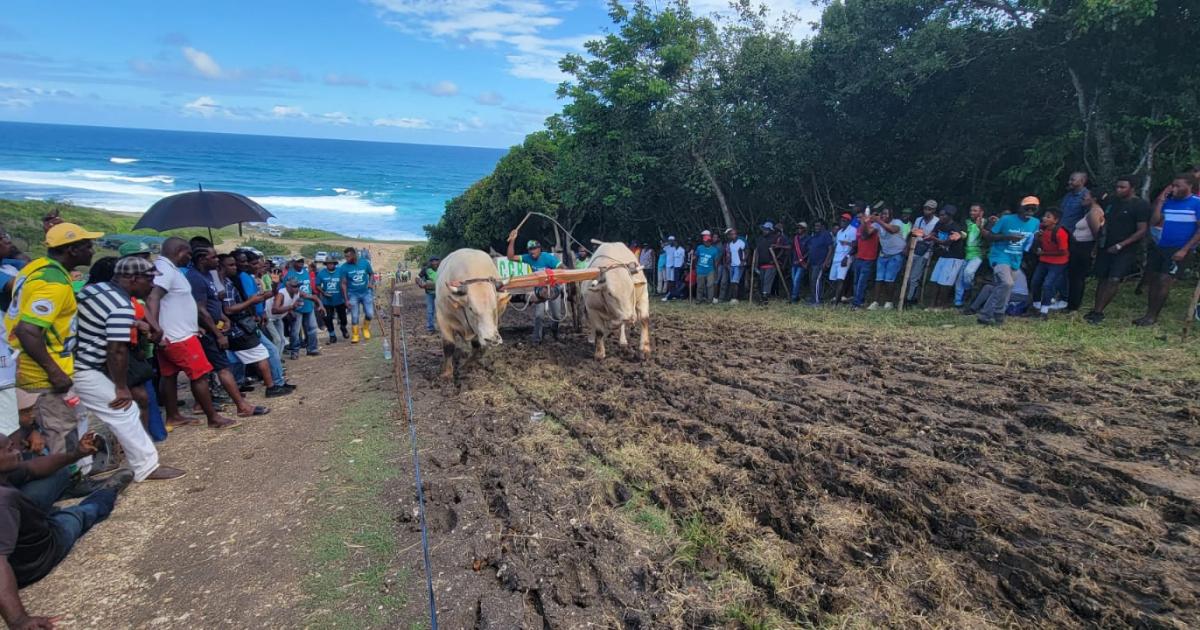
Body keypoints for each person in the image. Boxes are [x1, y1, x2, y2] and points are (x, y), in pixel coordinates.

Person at [0, 431, 133, 629]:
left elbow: (31, 468)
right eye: (10, 449)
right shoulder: (3, 501)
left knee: (57, 470)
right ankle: (108, 491)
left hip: (24, 527)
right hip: (38, 554)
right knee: (79, 515)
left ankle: (59, 497)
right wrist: (18, 619)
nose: (17, 450)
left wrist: (76, 454)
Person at [73, 256, 186, 481]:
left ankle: (80, 470)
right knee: (124, 410)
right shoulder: (121, 306)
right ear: (133, 279)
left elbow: (98, 319)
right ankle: (146, 467)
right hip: (85, 367)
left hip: (70, 363)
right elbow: (117, 350)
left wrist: (137, 323)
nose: (153, 285)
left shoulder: (97, 291)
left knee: (76, 420)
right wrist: (121, 387)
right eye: (149, 279)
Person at [5, 223, 102, 455]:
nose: (93, 250)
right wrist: (54, 371)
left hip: (27, 367)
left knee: (51, 427)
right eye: (88, 246)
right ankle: (71, 479)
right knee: (59, 427)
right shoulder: (53, 283)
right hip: (42, 373)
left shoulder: (36, 268)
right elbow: (28, 330)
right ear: (71, 250)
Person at [145, 237, 239, 430]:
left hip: (176, 332)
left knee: (169, 375)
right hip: (178, 336)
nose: (190, 257)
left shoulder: (169, 269)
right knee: (200, 375)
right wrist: (155, 328)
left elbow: (174, 303)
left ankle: (173, 416)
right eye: (188, 253)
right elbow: (153, 298)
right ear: (180, 251)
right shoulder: (165, 270)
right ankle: (213, 417)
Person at [218, 254, 291, 398]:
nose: (248, 265)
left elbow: (260, 297)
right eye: (239, 262)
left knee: (234, 358)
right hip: (242, 325)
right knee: (267, 351)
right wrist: (252, 306)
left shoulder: (238, 280)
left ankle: (238, 384)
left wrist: (275, 286)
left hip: (246, 323)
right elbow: (230, 308)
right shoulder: (232, 282)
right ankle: (274, 385)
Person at [1133, 174, 1200, 326]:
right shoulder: (1169, 202)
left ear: (1189, 186)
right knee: (1155, 279)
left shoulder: (1196, 203)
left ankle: (1153, 316)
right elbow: (1154, 221)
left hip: (1180, 248)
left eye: (1178, 186)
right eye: (1173, 185)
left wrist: (1185, 249)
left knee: (1165, 280)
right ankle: (1149, 313)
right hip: (1161, 245)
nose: (1174, 189)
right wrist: (1160, 201)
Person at [1085, 176, 1150, 324]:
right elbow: (1104, 223)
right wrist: (1097, 245)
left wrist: (1121, 245)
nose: (1118, 190)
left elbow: (1142, 230)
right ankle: (1096, 310)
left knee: (1114, 279)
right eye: (1117, 187)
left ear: (1132, 188)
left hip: (1125, 248)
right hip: (1106, 245)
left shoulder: (1140, 205)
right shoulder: (1113, 202)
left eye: (1123, 187)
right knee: (1102, 277)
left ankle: (1100, 311)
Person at [976, 198, 1040, 325]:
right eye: (1027, 208)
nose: (1030, 211)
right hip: (999, 255)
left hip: (1016, 258)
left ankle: (984, 316)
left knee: (1003, 288)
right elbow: (990, 236)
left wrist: (1038, 246)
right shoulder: (1006, 219)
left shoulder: (1035, 223)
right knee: (1007, 283)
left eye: (1033, 209)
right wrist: (1008, 237)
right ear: (1020, 208)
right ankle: (999, 314)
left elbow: (1030, 242)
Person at [505, 233, 563, 342]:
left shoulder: (548, 257)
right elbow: (510, 257)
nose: (532, 252)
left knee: (557, 315)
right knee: (538, 315)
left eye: (534, 249)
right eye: (530, 250)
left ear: (539, 249)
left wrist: (553, 275)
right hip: (539, 290)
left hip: (553, 288)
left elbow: (562, 267)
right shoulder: (528, 258)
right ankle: (537, 339)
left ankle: (555, 331)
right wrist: (512, 240)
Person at [1064, 187, 1104, 312]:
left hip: (1084, 248)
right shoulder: (1090, 211)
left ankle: (1073, 305)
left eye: (1086, 196)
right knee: (1074, 277)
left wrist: (1094, 250)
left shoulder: (1094, 213)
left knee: (1077, 277)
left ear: (1094, 199)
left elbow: (1097, 233)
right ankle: (1071, 303)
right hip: (1079, 247)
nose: (1083, 198)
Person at [1028, 209, 1070, 320]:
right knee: (1035, 282)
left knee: (1048, 284)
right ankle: (1036, 306)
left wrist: (1044, 252)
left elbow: (1063, 251)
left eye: (1048, 217)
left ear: (1056, 220)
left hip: (1058, 262)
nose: (1044, 218)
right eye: (1045, 216)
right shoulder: (1042, 229)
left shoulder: (1060, 233)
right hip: (1044, 260)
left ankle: (1044, 310)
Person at [928, 206, 965, 310]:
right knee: (934, 280)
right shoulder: (939, 224)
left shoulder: (955, 227)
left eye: (943, 215)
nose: (940, 217)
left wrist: (933, 239)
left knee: (945, 283)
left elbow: (946, 242)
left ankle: (941, 305)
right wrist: (926, 236)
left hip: (954, 258)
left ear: (950, 216)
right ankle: (931, 305)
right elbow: (933, 233)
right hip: (943, 256)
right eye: (940, 215)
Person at [283, 256, 322, 355]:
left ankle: (312, 349)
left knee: (312, 328)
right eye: (298, 261)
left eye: (302, 261)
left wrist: (314, 300)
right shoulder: (289, 275)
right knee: (295, 330)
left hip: (308, 305)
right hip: (296, 306)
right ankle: (295, 351)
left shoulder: (305, 272)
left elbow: (309, 287)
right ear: (293, 263)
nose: (300, 263)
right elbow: (289, 290)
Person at [905, 200, 940, 304]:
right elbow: (913, 234)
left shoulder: (937, 221)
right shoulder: (919, 220)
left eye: (929, 209)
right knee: (909, 275)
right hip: (915, 248)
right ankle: (912, 296)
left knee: (914, 277)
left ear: (933, 210)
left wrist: (925, 236)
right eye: (925, 208)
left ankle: (910, 299)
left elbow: (935, 237)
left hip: (926, 251)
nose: (926, 211)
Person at [869, 208, 904, 310]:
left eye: (885, 214)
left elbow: (892, 230)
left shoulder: (897, 222)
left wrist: (877, 220)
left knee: (889, 279)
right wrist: (865, 221)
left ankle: (889, 302)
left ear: (891, 215)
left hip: (896, 254)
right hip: (884, 254)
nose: (883, 215)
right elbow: (867, 233)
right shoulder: (878, 223)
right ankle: (875, 302)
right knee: (879, 279)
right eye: (881, 214)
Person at [339, 247, 375, 343]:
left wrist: (371, 283)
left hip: (366, 292)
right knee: (354, 316)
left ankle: (365, 328)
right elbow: (343, 284)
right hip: (352, 294)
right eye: (345, 256)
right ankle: (355, 335)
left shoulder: (364, 263)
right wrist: (346, 299)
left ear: (354, 255)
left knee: (370, 314)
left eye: (348, 256)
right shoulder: (344, 267)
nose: (346, 258)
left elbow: (371, 274)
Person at [955, 204, 986, 307]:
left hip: (977, 254)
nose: (972, 213)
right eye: (971, 210)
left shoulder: (985, 223)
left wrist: (980, 226)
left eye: (975, 211)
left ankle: (969, 291)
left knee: (968, 273)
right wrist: (961, 235)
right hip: (965, 253)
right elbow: (963, 233)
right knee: (960, 279)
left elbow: (988, 236)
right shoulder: (966, 222)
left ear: (981, 212)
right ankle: (958, 302)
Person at [849, 212, 879, 309]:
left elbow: (866, 235)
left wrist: (865, 223)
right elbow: (860, 239)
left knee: (862, 282)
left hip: (868, 258)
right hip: (859, 257)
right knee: (856, 281)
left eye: (861, 217)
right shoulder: (859, 227)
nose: (859, 218)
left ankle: (857, 303)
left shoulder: (874, 226)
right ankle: (859, 301)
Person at [316, 259, 348, 343]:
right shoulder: (321, 273)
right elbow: (317, 285)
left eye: (332, 263)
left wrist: (346, 296)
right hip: (327, 301)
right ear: (326, 264)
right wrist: (323, 292)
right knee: (328, 318)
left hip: (340, 299)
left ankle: (343, 327)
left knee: (343, 318)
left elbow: (345, 282)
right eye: (328, 264)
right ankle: (332, 335)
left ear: (335, 264)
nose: (330, 265)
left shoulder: (340, 271)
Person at [753, 222, 786, 304]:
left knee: (767, 281)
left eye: (766, 229)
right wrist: (755, 265)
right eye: (764, 229)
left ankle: (765, 298)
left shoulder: (775, 238)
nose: (764, 231)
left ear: (770, 230)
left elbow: (782, 249)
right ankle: (762, 298)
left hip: (771, 264)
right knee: (762, 281)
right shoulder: (760, 239)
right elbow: (756, 252)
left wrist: (776, 258)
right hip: (761, 264)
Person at [828, 214, 856, 304]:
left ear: (849, 221)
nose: (842, 222)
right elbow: (836, 246)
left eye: (845, 220)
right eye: (841, 220)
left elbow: (855, 246)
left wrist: (847, 257)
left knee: (841, 279)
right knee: (833, 279)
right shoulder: (839, 232)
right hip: (836, 258)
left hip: (845, 258)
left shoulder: (852, 230)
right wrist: (830, 259)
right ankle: (838, 297)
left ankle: (836, 302)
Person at [804, 220, 833, 305]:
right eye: (815, 226)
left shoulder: (826, 235)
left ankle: (817, 301)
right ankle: (814, 298)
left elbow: (830, 248)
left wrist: (826, 261)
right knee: (812, 281)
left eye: (818, 226)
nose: (816, 227)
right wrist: (808, 262)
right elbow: (810, 250)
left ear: (822, 226)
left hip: (820, 262)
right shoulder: (814, 236)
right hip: (812, 263)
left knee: (816, 281)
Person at [694, 231, 721, 303]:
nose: (706, 242)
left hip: (710, 270)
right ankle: (698, 299)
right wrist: (695, 266)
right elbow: (696, 257)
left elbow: (716, 262)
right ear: (703, 241)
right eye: (705, 241)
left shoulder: (714, 250)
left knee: (710, 285)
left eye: (708, 241)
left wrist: (715, 271)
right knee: (700, 286)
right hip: (700, 269)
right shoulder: (699, 248)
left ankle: (709, 300)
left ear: (710, 241)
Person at [720, 228, 746, 303]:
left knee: (735, 282)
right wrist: (727, 263)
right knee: (732, 282)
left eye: (732, 234)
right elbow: (728, 255)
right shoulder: (729, 244)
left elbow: (746, 251)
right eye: (730, 234)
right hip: (731, 265)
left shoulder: (741, 242)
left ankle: (735, 299)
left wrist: (743, 261)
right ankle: (733, 298)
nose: (731, 236)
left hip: (739, 265)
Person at [415, 256, 440, 333]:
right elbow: (417, 277)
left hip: (440, 294)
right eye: (433, 261)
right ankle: (430, 328)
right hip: (430, 294)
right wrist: (420, 283)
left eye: (436, 261)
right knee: (430, 311)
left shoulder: (442, 268)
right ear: (430, 262)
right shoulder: (426, 269)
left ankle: (444, 328)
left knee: (441, 311)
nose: (435, 263)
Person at [789, 222, 810, 304]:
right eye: (798, 228)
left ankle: (794, 298)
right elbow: (792, 249)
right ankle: (796, 296)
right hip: (794, 262)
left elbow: (809, 251)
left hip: (802, 263)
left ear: (804, 229)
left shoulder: (808, 239)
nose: (799, 229)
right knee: (794, 280)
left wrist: (802, 259)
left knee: (797, 280)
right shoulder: (795, 238)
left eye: (800, 228)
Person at [660, 237, 684, 302]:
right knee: (668, 280)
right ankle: (669, 292)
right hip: (667, 266)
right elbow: (661, 251)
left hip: (673, 266)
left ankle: (672, 293)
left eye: (672, 241)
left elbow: (678, 259)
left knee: (673, 281)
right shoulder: (667, 247)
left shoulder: (676, 248)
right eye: (669, 241)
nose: (671, 242)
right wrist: (663, 244)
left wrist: (674, 265)